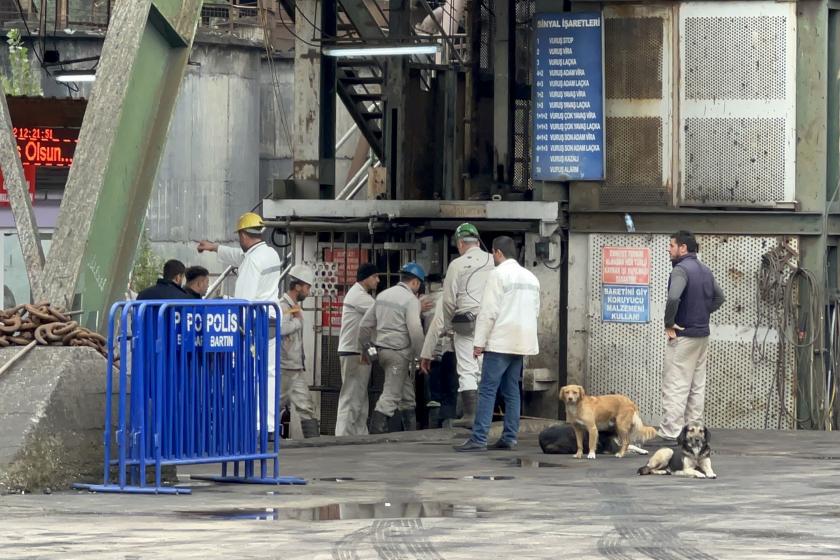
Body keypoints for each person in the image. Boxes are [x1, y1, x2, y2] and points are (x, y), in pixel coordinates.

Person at [196, 212, 285, 432]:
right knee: (270, 373)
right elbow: (240, 256)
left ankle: (253, 427)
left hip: (254, 324)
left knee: (250, 375)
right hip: (272, 319)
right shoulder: (270, 253)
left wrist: (228, 309)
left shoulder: (252, 261)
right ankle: (270, 427)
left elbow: (243, 300)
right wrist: (214, 247)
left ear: (244, 235)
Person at [454, 236, 540, 452]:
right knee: (511, 390)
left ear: (498, 253)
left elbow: (488, 312)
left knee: (487, 389)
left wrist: (479, 342)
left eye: (493, 253)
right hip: (522, 342)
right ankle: (509, 438)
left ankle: (479, 438)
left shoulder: (498, 275)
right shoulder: (531, 277)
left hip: (500, 341)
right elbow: (536, 311)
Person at [419, 223, 494, 429]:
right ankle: (485, 415)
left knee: (467, 369)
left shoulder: (457, 265)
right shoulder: (494, 261)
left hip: (466, 324)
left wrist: (450, 326)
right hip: (492, 323)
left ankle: (471, 415)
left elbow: (449, 302)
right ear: (478, 242)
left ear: (461, 243)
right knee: (484, 368)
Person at [657, 231, 725, 442]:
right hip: (702, 335)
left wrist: (669, 322)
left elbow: (673, 297)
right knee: (697, 384)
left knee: (676, 383)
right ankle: (694, 428)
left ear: (683, 248)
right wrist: (702, 313)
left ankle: (672, 431)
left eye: (671, 245)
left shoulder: (680, 270)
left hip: (684, 335)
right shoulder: (705, 270)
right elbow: (719, 298)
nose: (669, 249)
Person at [359, 262, 426, 434]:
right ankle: (375, 434)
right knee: (391, 395)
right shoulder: (411, 300)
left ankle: (410, 435)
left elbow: (364, 326)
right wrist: (422, 356)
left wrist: (369, 351)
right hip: (398, 355)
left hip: (382, 353)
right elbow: (416, 330)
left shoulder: (383, 295)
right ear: (415, 282)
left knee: (407, 396)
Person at [334, 263, 380, 436]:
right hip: (354, 351)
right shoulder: (358, 296)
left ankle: (360, 435)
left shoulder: (359, 294)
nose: (378, 280)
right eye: (375, 276)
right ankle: (343, 437)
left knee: (359, 397)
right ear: (366, 277)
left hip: (358, 351)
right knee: (352, 396)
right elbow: (380, 311)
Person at [279, 264, 320, 438]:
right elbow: (279, 329)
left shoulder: (294, 307)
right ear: (297, 286)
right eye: (307, 287)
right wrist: (298, 322)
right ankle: (262, 440)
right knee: (275, 405)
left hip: (295, 367)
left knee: (306, 407)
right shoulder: (282, 306)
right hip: (284, 367)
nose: (308, 292)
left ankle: (315, 447)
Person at [421, 275, 457, 428]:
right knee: (451, 391)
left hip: (440, 352)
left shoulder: (426, 300)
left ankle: (438, 425)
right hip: (456, 351)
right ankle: (448, 424)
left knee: (438, 393)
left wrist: (426, 353)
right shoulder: (469, 295)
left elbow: (435, 326)